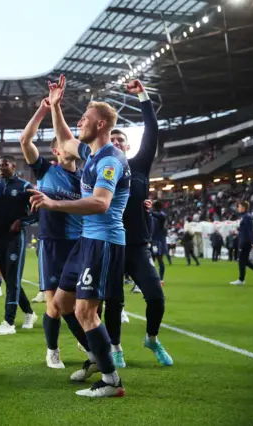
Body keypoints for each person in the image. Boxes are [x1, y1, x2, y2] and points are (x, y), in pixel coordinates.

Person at [30, 74, 128, 397]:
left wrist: (54, 203)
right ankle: (95, 356)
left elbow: (101, 203)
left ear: (101, 126)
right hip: (87, 240)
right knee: (60, 303)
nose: (79, 122)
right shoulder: (91, 154)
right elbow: (66, 140)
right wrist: (55, 107)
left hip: (104, 242)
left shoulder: (111, 159)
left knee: (86, 311)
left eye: (85, 119)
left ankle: (112, 381)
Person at [107, 79, 173, 369]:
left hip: (137, 246)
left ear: (128, 146)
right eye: (112, 140)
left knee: (156, 297)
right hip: (111, 243)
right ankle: (116, 348)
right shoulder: (99, 170)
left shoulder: (140, 165)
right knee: (114, 302)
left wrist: (143, 96)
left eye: (120, 140)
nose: (116, 143)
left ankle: (152, 338)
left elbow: (153, 130)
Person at [19, 95, 81, 367]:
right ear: (57, 151)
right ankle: (52, 350)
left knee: (85, 303)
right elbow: (25, 141)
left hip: (81, 243)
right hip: (53, 243)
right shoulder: (45, 170)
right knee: (54, 304)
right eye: (65, 144)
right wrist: (44, 110)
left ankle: (88, 339)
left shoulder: (87, 175)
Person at [0, 155, 38, 335]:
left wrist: (21, 222)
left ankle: (9, 322)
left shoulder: (25, 187)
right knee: (9, 279)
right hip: (0, 239)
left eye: (5, 164)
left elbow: (38, 212)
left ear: (14, 166)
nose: (1, 167)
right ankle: (30, 313)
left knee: (14, 277)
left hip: (16, 238)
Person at [230, 201, 253, 285]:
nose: (238, 208)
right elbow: (244, 229)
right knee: (245, 261)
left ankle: (241, 280)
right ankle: (241, 279)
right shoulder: (244, 216)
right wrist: (237, 231)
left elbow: (250, 231)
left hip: (245, 242)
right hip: (243, 241)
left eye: (239, 206)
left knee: (242, 260)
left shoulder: (247, 217)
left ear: (243, 208)